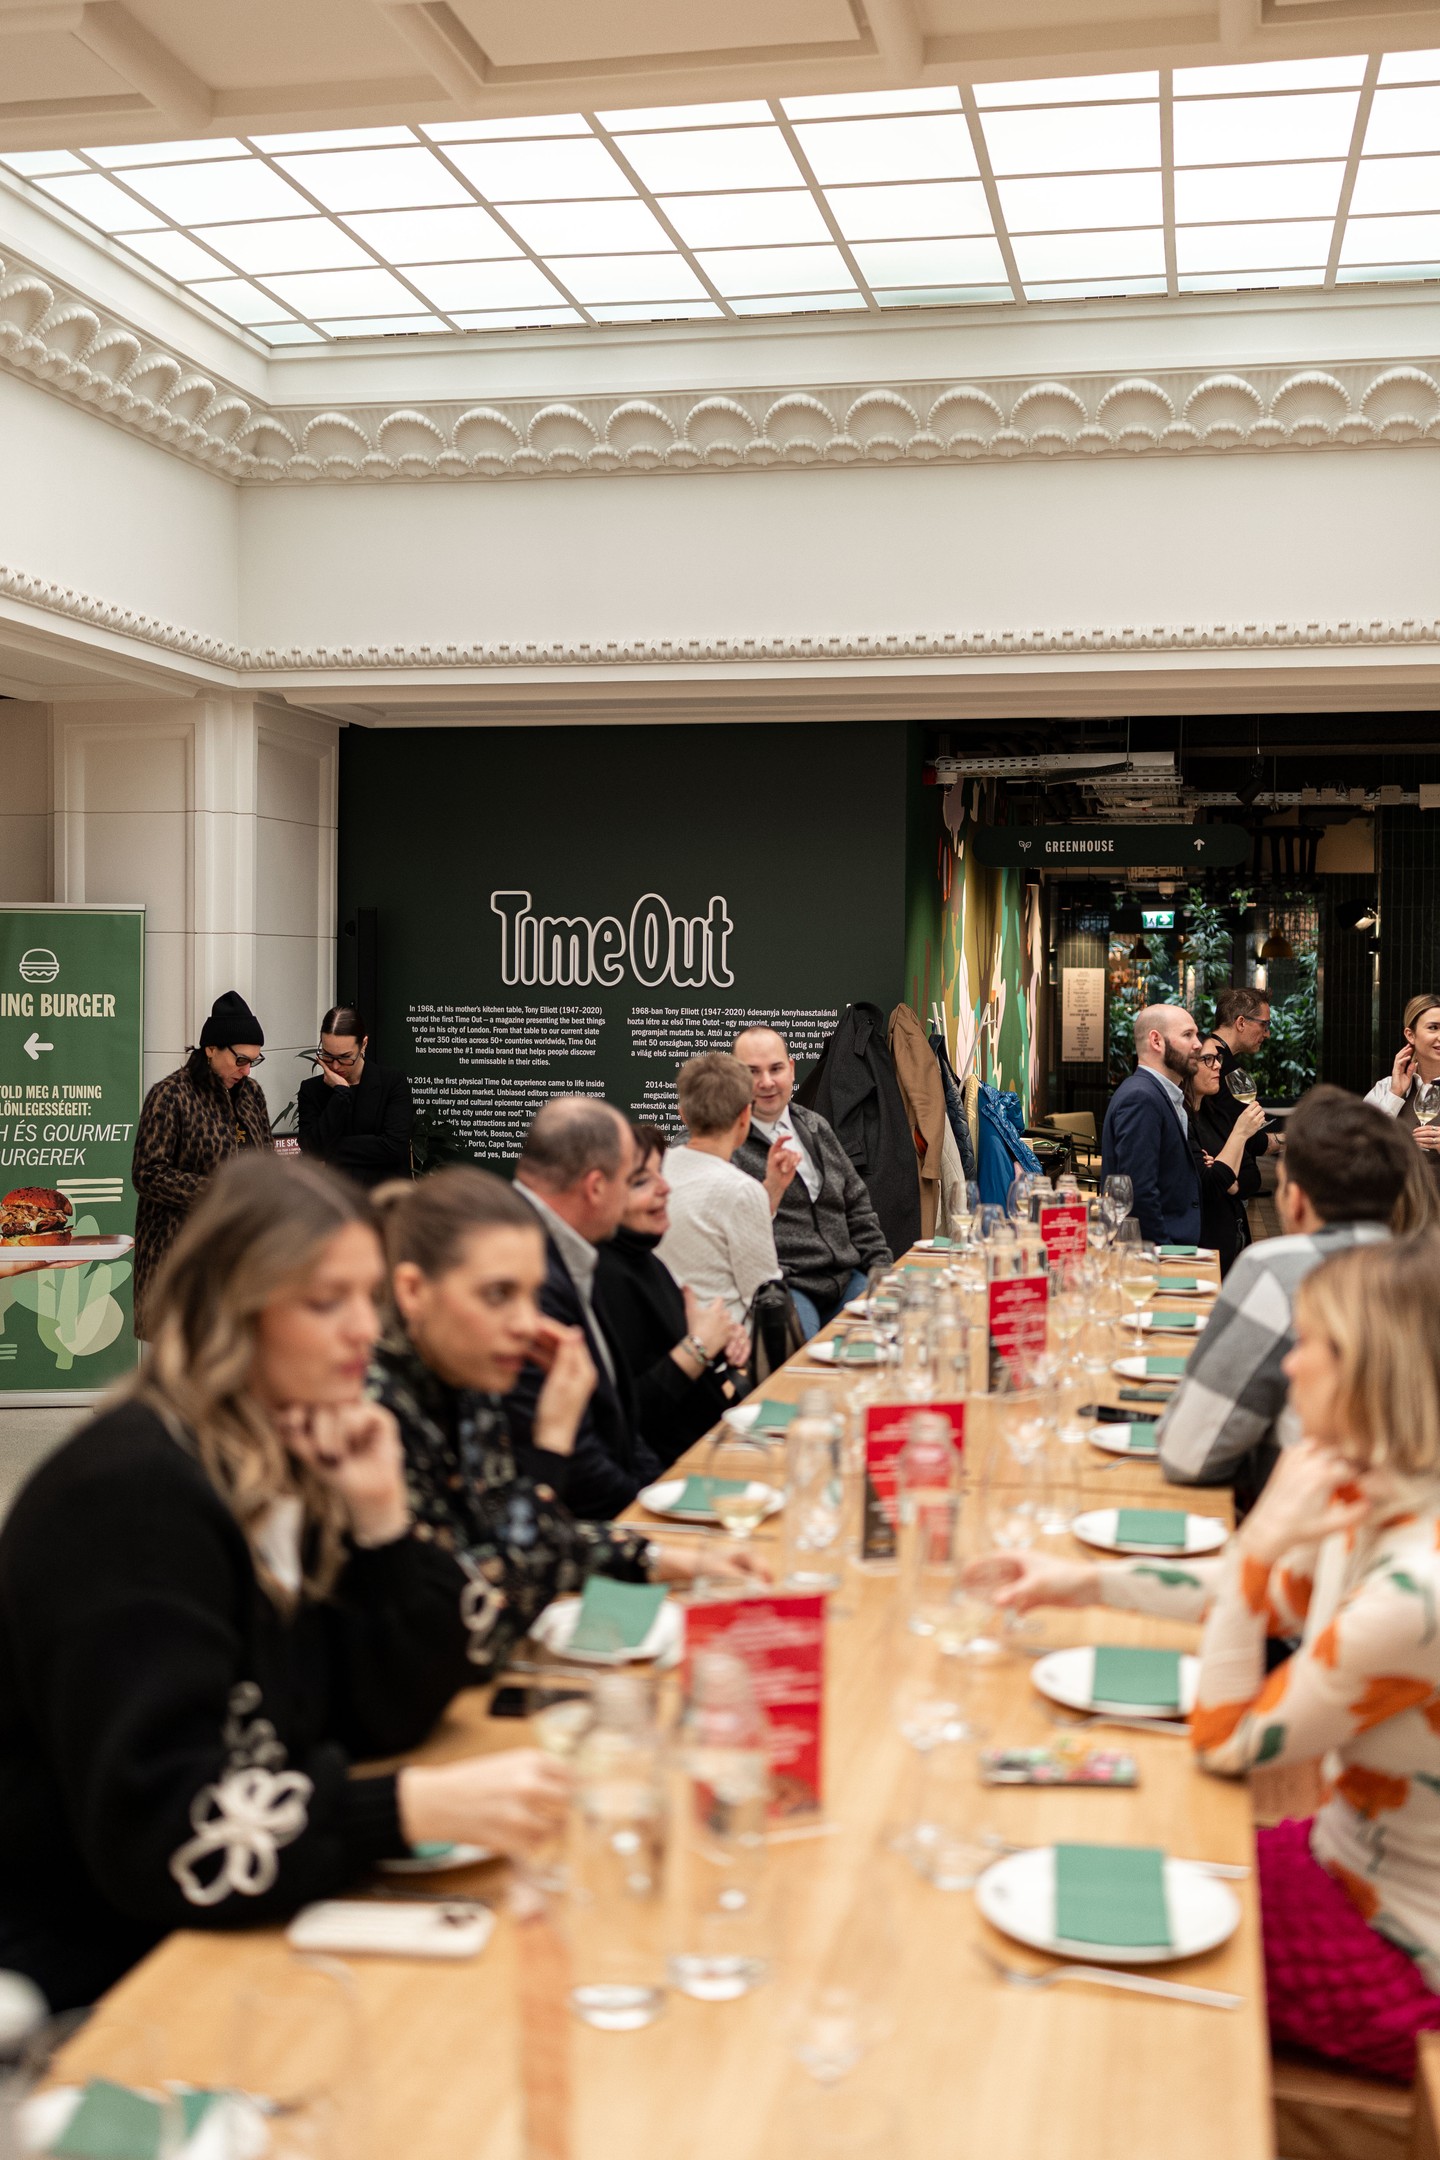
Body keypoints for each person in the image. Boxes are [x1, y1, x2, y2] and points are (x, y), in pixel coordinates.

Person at [0, 1153, 568, 2013]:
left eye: (365, 1300)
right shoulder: (135, 1498)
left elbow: (386, 1707)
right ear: (234, 1307)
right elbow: (170, 1835)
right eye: (323, 1302)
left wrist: (381, 1523)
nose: (364, 1334)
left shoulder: (280, 1459)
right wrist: (407, 1807)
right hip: (104, 1987)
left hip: (236, 1926)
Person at [969, 1236, 1440, 2083]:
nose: (1289, 1367)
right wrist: (1080, 1584)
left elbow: (1223, 1737)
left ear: (1373, 1372)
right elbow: (1253, 1590)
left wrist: (1258, 1539)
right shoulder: (1390, 1493)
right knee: (1099, 1858)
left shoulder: (1417, 1595)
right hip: (1345, 1864)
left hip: (1401, 1958)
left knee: (1088, 1966)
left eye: (1313, 1347)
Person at [369, 1165, 760, 1651]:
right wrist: (551, 1444)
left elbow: (515, 1540)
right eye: (497, 1295)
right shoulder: (376, 1417)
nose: (524, 1324)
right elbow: (480, 1613)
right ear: (412, 1293)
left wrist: (664, 1558)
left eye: (532, 1295)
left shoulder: (464, 1378)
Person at [1157, 1086, 1429, 1506]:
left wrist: (1261, 1455)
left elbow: (1189, 1452)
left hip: (1313, 1533)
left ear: (1295, 1200)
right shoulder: (1425, 1270)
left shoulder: (1277, 1269)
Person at [504, 1098, 662, 1519]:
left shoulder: (569, 1244)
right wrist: (650, 1515)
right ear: (595, 1187)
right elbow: (572, 1457)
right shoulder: (524, 1268)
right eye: (631, 1180)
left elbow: (621, 1421)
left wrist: (658, 1490)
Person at [597, 1123, 754, 1467]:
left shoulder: (644, 1256)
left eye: (661, 1173)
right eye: (641, 1181)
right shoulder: (603, 1276)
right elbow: (631, 1413)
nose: (665, 1188)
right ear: (598, 1193)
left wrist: (720, 1346)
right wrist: (698, 1346)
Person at [731, 1026, 891, 1339]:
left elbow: (856, 1204)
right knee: (799, 1365)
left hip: (846, 1278)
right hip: (784, 1285)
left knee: (889, 1335)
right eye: (752, 1072)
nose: (766, 1082)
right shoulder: (724, 1142)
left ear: (791, 1069)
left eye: (775, 1069)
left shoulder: (815, 1126)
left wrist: (883, 1272)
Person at [131, 989, 272, 1338]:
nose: (247, 1069)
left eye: (254, 1060)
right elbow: (147, 1173)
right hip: (180, 1253)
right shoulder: (171, 1094)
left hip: (239, 1254)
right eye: (240, 1059)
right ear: (210, 1049)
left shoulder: (252, 1094)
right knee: (184, 1364)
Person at [659, 1054, 784, 1327]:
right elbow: (765, 1295)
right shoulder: (740, 1190)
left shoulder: (653, 1174)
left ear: (683, 1115)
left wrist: (770, 1193)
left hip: (665, 1332)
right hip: (729, 1342)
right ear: (745, 1116)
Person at [1099, 1004, 1205, 1246]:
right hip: (1155, 1256)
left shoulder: (1158, 1093)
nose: (1198, 1044)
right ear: (1156, 1041)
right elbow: (1138, 1191)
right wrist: (1165, 1252)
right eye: (1188, 1035)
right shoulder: (1142, 1097)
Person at [297, 1006, 414, 1190]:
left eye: (345, 1057)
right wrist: (341, 1093)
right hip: (335, 1199)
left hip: (385, 1197)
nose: (335, 1066)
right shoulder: (312, 1089)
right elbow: (313, 1149)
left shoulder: (392, 1083)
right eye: (327, 1055)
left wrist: (332, 1149)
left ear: (364, 1044)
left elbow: (394, 1147)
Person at [1187, 1034, 1268, 1273]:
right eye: (1208, 1059)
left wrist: (1231, 1182)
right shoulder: (1183, 1122)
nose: (1219, 1066)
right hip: (1205, 1247)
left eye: (1218, 1058)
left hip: (1235, 1239)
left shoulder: (1217, 1115)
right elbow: (1209, 1184)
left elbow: (1253, 1176)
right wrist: (1240, 1134)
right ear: (1188, 1066)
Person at [1202, 987, 1281, 1213]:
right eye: (1264, 1025)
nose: (1267, 1034)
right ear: (1241, 1022)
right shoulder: (1225, 1069)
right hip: (1219, 1185)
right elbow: (1252, 1141)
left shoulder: (1218, 1062)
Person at [1366, 992, 1440, 1175]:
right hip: (1396, 1201)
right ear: (1410, 1035)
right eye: (1433, 1027)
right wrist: (1395, 1094)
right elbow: (1358, 1146)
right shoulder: (1386, 1088)